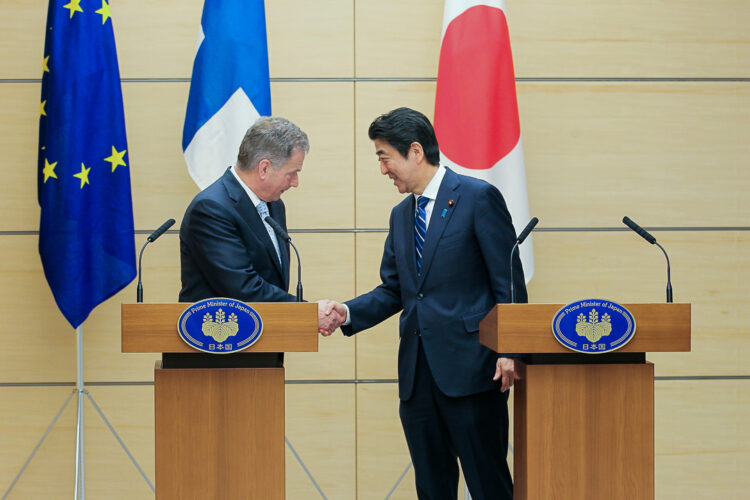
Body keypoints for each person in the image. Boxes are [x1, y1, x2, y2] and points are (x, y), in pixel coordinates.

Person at [320, 107, 527, 500]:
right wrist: (346, 313)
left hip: (473, 372)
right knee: (432, 488)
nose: (383, 170)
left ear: (415, 151)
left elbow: (509, 283)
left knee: (488, 484)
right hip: (418, 377)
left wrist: (510, 350)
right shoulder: (402, 215)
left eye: (384, 157)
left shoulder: (477, 197)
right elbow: (395, 290)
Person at [179, 116, 308, 305]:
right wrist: (306, 311)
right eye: (292, 173)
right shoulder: (211, 209)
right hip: (216, 329)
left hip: (266, 328)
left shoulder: (274, 204)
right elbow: (242, 288)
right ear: (264, 168)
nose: (295, 183)